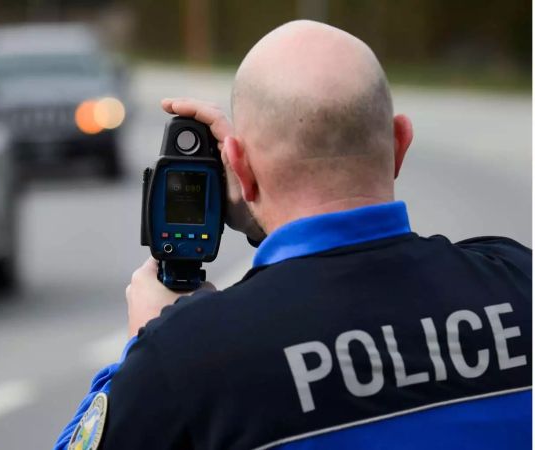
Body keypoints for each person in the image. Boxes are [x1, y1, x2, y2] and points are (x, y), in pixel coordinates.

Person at [54, 20, 531, 450]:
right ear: (399, 143)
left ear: (238, 165)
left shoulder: (186, 361)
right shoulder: (518, 279)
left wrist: (143, 354)